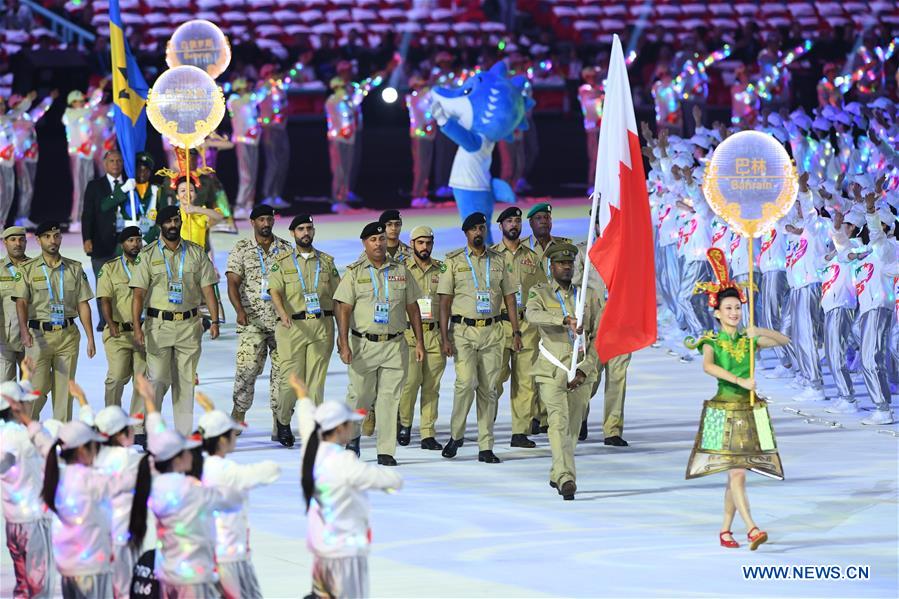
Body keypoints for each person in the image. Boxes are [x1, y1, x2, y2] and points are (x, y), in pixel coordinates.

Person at [684, 249, 790, 551]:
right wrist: (740, 380)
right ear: (716, 312)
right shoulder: (711, 340)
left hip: (750, 410)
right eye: (728, 308)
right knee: (737, 473)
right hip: (721, 412)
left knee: (738, 475)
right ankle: (753, 528)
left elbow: (784, 341)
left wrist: (760, 330)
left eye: (737, 308)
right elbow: (708, 366)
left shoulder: (748, 340)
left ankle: (725, 530)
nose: (733, 312)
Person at [294, 375, 403, 599]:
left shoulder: (311, 449)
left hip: (322, 547)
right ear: (340, 427)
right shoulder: (343, 462)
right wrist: (395, 480)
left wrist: (303, 395)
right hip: (345, 552)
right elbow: (382, 479)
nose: (353, 427)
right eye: (350, 423)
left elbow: (307, 419)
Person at [128, 390, 242, 598]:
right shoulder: (191, 490)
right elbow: (233, 499)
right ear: (177, 459)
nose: (192, 453)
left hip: (166, 573)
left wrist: (150, 403)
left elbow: (158, 437)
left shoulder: (155, 482)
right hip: (193, 579)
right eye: (186, 450)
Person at [333, 221, 426, 466]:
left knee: (389, 399)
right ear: (364, 243)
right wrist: (343, 343)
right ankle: (352, 439)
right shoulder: (354, 272)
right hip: (363, 344)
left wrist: (419, 342)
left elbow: (412, 308)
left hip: (395, 344)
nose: (378, 243)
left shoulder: (401, 270)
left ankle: (386, 450)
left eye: (382, 239)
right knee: (360, 396)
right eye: (373, 240)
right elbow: (343, 309)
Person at [438, 212, 521, 463]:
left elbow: (509, 298)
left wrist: (516, 331)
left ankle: (486, 446)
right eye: (473, 229)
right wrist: (444, 337)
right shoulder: (452, 261)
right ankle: (456, 435)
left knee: (489, 389)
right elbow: (444, 301)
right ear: (466, 233)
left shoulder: (497, 260)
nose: (478, 233)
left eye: (481, 228)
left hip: (493, 331)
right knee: (465, 383)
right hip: (463, 331)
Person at [130, 205, 219, 434]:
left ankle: (183, 433)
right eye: (168, 222)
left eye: (176, 221)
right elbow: (138, 294)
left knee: (185, 382)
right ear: (160, 225)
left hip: (189, 325)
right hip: (158, 325)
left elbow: (208, 288)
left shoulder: (196, 252)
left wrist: (215, 320)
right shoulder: (147, 255)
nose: (173, 226)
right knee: (158, 379)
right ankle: (153, 430)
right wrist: (137, 327)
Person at [526, 243, 601, 500]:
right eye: (561, 263)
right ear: (551, 266)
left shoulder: (587, 296)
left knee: (571, 428)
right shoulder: (541, 292)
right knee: (557, 422)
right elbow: (532, 315)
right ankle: (567, 479)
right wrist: (563, 321)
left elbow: (600, 337)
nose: (566, 267)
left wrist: (585, 369)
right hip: (551, 371)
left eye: (570, 263)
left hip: (580, 372)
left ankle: (557, 470)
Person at [37, 414, 130, 597]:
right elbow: (126, 482)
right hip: (91, 568)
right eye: (94, 446)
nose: (97, 450)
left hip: (67, 568)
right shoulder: (90, 479)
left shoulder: (55, 475)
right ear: (81, 449)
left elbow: (42, 443)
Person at [13, 222, 95, 421]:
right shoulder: (28, 269)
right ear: (38, 239)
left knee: (65, 389)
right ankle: (27, 429)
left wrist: (90, 338)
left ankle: (62, 435)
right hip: (38, 336)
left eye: (56, 236)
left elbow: (83, 304)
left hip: (67, 336)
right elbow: (21, 303)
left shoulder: (74, 268)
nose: (53, 240)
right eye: (47, 236)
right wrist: (24, 331)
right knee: (36, 388)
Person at [225, 204, 293, 443]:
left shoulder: (285, 248)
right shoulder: (242, 249)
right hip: (252, 321)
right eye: (261, 220)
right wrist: (239, 310)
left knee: (283, 374)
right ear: (252, 222)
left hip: (281, 322)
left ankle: (281, 422)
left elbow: (293, 284)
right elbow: (232, 282)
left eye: (269, 219)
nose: (266, 224)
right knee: (247, 370)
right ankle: (237, 416)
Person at [269, 214, 340, 440]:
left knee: (316, 383)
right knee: (291, 381)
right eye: (300, 229)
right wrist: (282, 314)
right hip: (293, 327)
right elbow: (275, 291)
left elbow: (339, 298)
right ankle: (283, 421)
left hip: (322, 325)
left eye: (309, 228)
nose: (305, 232)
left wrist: (343, 333)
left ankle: (314, 427)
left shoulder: (327, 263)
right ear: (293, 233)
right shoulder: (282, 262)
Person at [199, 407, 281, 599]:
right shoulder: (226, 471)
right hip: (229, 558)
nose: (236, 437)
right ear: (221, 439)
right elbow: (269, 471)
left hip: (206, 556)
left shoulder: (198, 467)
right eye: (232, 433)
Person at [492, 206, 543, 448]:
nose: (514, 225)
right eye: (509, 221)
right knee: (494, 377)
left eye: (517, 221)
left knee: (526, 379)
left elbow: (542, 292)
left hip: (527, 325)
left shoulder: (532, 258)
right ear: (500, 226)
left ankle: (519, 432)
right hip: (499, 325)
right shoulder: (491, 256)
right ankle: (487, 419)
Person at [0, 378, 56, 598]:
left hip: (12, 522)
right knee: (39, 588)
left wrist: (25, 377)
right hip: (33, 523)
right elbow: (51, 450)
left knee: (23, 585)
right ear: (15, 407)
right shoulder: (24, 437)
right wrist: (30, 423)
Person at [397, 226, 446, 450]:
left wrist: (448, 337)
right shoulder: (402, 269)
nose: (424, 247)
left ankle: (428, 433)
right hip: (409, 335)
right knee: (410, 384)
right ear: (412, 244)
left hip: (434, 334)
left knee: (432, 386)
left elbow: (448, 305)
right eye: (420, 243)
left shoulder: (442, 269)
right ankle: (404, 423)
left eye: (428, 243)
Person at [96, 226, 148, 428]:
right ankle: (112, 421)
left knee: (142, 380)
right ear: (122, 244)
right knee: (117, 377)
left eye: (138, 239)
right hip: (119, 331)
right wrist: (110, 323)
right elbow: (105, 300)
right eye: (130, 240)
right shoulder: (110, 268)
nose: (135, 244)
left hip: (144, 331)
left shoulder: (148, 265)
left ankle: (138, 427)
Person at [92, 404, 144, 598]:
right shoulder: (128, 457)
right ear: (120, 434)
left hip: (96, 538)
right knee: (124, 590)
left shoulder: (94, 456)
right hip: (122, 537)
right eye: (129, 427)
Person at [81, 149, 127, 331]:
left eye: (119, 161)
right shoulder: (95, 186)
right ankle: (104, 320)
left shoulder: (132, 185)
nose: (115, 164)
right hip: (100, 243)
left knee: (124, 283)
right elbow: (88, 215)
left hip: (124, 244)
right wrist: (87, 238)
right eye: (112, 161)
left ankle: (124, 317)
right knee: (103, 284)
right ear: (105, 164)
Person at [62, 82, 107, 233]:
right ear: (72, 103)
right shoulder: (69, 114)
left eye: (82, 101)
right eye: (78, 101)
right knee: (80, 187)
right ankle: (75, 219)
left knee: (89, 186)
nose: (81, 104)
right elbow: (90, 107)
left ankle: (86, 218)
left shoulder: (85, 114)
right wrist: (98, 91)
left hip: (88, 154)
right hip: (78, 155)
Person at [10, 90, 55, 229]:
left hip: (32, 157)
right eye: (20, 102)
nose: (24, 104)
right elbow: (21, 108)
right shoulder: (12, 116)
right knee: (25, 187)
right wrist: (28, 99)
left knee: (29, 188)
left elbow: (40, 110)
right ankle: (20, 218)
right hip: (21, 156)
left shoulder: (27, 116)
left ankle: (24, 216)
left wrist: (49, 99)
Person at [227, 78, 262, 219]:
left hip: (253, 141)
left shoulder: (249, 100)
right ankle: (240, 205)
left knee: (253, 174)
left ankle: (249, 204)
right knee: (246, 174)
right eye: (246, 86)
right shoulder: (234, 101)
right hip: (242, 141)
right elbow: (248, 101)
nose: (249, 88)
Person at [257, 65, 291, 209]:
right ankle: (267, 195)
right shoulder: (262, 88)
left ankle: (277, 195)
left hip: (281, 128)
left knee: (283, 161)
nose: (274, 76)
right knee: (273, 162)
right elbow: (257, 98)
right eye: (271, 73)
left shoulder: (280, 88)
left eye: (275, 73)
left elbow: (283, 105)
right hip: (268, 129)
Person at [0, 91, 36, 226]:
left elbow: (19, 110)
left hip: (9, 162)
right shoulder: (6, 119)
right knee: (2, 193)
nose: (2, 107)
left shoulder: (7, 119)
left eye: (3, 104)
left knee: (8, 194)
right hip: (1, 162)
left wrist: (28, 100)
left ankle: (2, 224)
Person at [1, 225, 29, 382]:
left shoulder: (37, 268)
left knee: (30, 390)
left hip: (33, 338)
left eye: (21, 239)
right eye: (13, 240)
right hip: (5, 340)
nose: (17, 243)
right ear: (5, 242)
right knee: (6, 391)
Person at [405, 75, 437, 208]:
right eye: (421, 85)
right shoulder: (413, 98)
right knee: (420, 166)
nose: (424, 87)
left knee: (425, 166)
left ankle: (422, 194)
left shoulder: (425, 98)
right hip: (420, 136)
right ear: (414, 86)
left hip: (428, 136)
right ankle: (417, 195)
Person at [578, 66, 603, 194]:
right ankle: (591, 184)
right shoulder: (584, 89)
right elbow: (590, 95)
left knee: (602, 157)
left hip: (601, 126)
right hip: (591, 128)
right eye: (589, 76)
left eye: (594, 76)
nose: (592, 79)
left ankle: (602, 183)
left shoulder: (600, 89)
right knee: (594, 157)